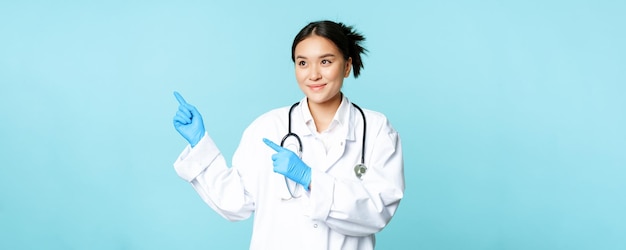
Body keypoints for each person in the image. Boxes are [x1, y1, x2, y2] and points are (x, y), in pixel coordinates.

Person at [172, 20, 404, 250]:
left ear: (346, 66)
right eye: (303, 63)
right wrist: (199, 143)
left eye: (325, 61)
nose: (313, 74)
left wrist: (310, 179)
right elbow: (234, 203)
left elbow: (378, 211)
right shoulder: (267, 127)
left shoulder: (375, 129)